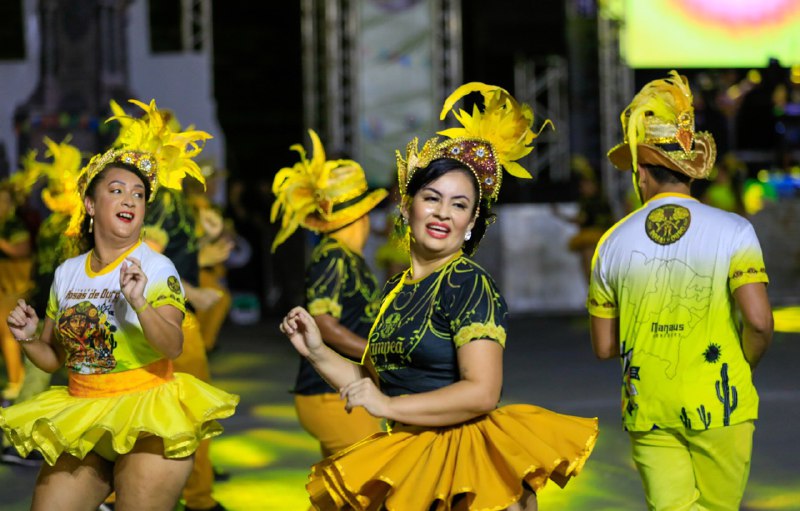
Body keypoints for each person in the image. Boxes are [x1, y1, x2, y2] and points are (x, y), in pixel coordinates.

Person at [280, 83, 598, 511]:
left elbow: (482, 393)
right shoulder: (398, 289)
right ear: (407, 207)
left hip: (465, 466)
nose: (444, 212)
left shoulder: (466, 282)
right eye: (432, 198)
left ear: (471, 223)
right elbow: (372, 383)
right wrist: (317, 352)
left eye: (460, 204)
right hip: (412, 455)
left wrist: (388, 404)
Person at [0, 100, 238, 511]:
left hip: (148, 417)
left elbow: (172, 346)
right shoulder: (68, 272)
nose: (131, 198)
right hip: (84, 413)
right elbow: (54, 357)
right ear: (91, 206)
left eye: (139, 194)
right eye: (117, 190)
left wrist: (139, 303)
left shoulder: (155, 266)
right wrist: (27, 339)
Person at [587, 71, 773, 511]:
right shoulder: (735, 230)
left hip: (648, 406)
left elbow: (604, 346)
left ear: (640, 173)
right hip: (722, 401)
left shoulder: (611, 242)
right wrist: (742, 362)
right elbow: (760, 322)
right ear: (690, 170)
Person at [271, 129, 387, 462]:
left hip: (339, 391)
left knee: (341, 493)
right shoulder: (333, 256)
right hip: (331, 394)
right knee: (375, 482)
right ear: (361, 219)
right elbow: (322, 322)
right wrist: (374, 352)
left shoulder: (344, 257)